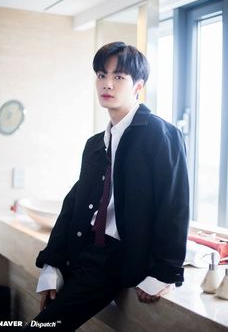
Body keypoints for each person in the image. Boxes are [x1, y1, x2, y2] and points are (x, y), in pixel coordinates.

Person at [24, 42, 189, 331]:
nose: (107, 84)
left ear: (139, 85)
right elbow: (74, 205)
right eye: (101, 75)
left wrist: (165, 273)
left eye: (119, 77)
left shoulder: (160, 135)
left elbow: (173, 205)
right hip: (82, 249)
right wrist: (52, 264)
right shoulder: (95, 144)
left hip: (113, 260)